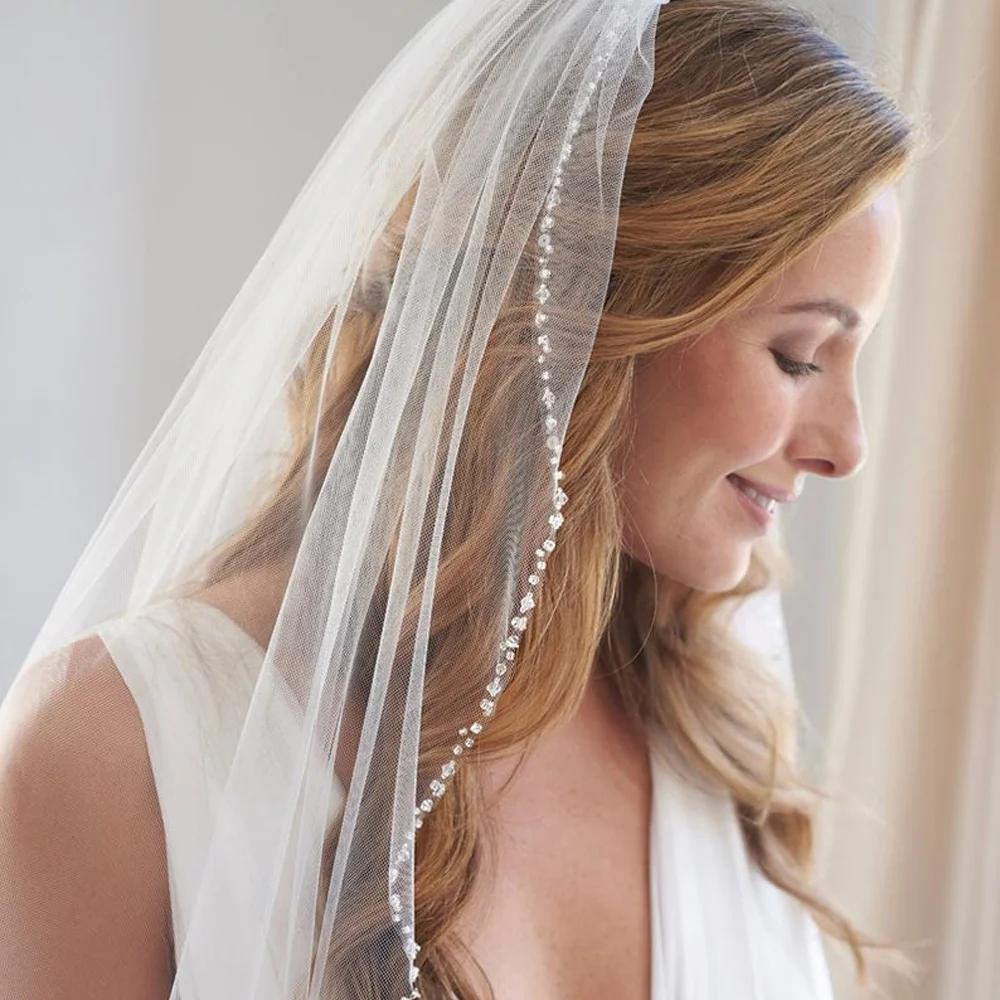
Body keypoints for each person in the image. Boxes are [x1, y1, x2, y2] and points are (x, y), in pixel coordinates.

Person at [0, 1, 922, 998]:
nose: (848, 447)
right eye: (797, 356)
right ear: (589, 313)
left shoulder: (716, 729)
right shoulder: (118, 747)